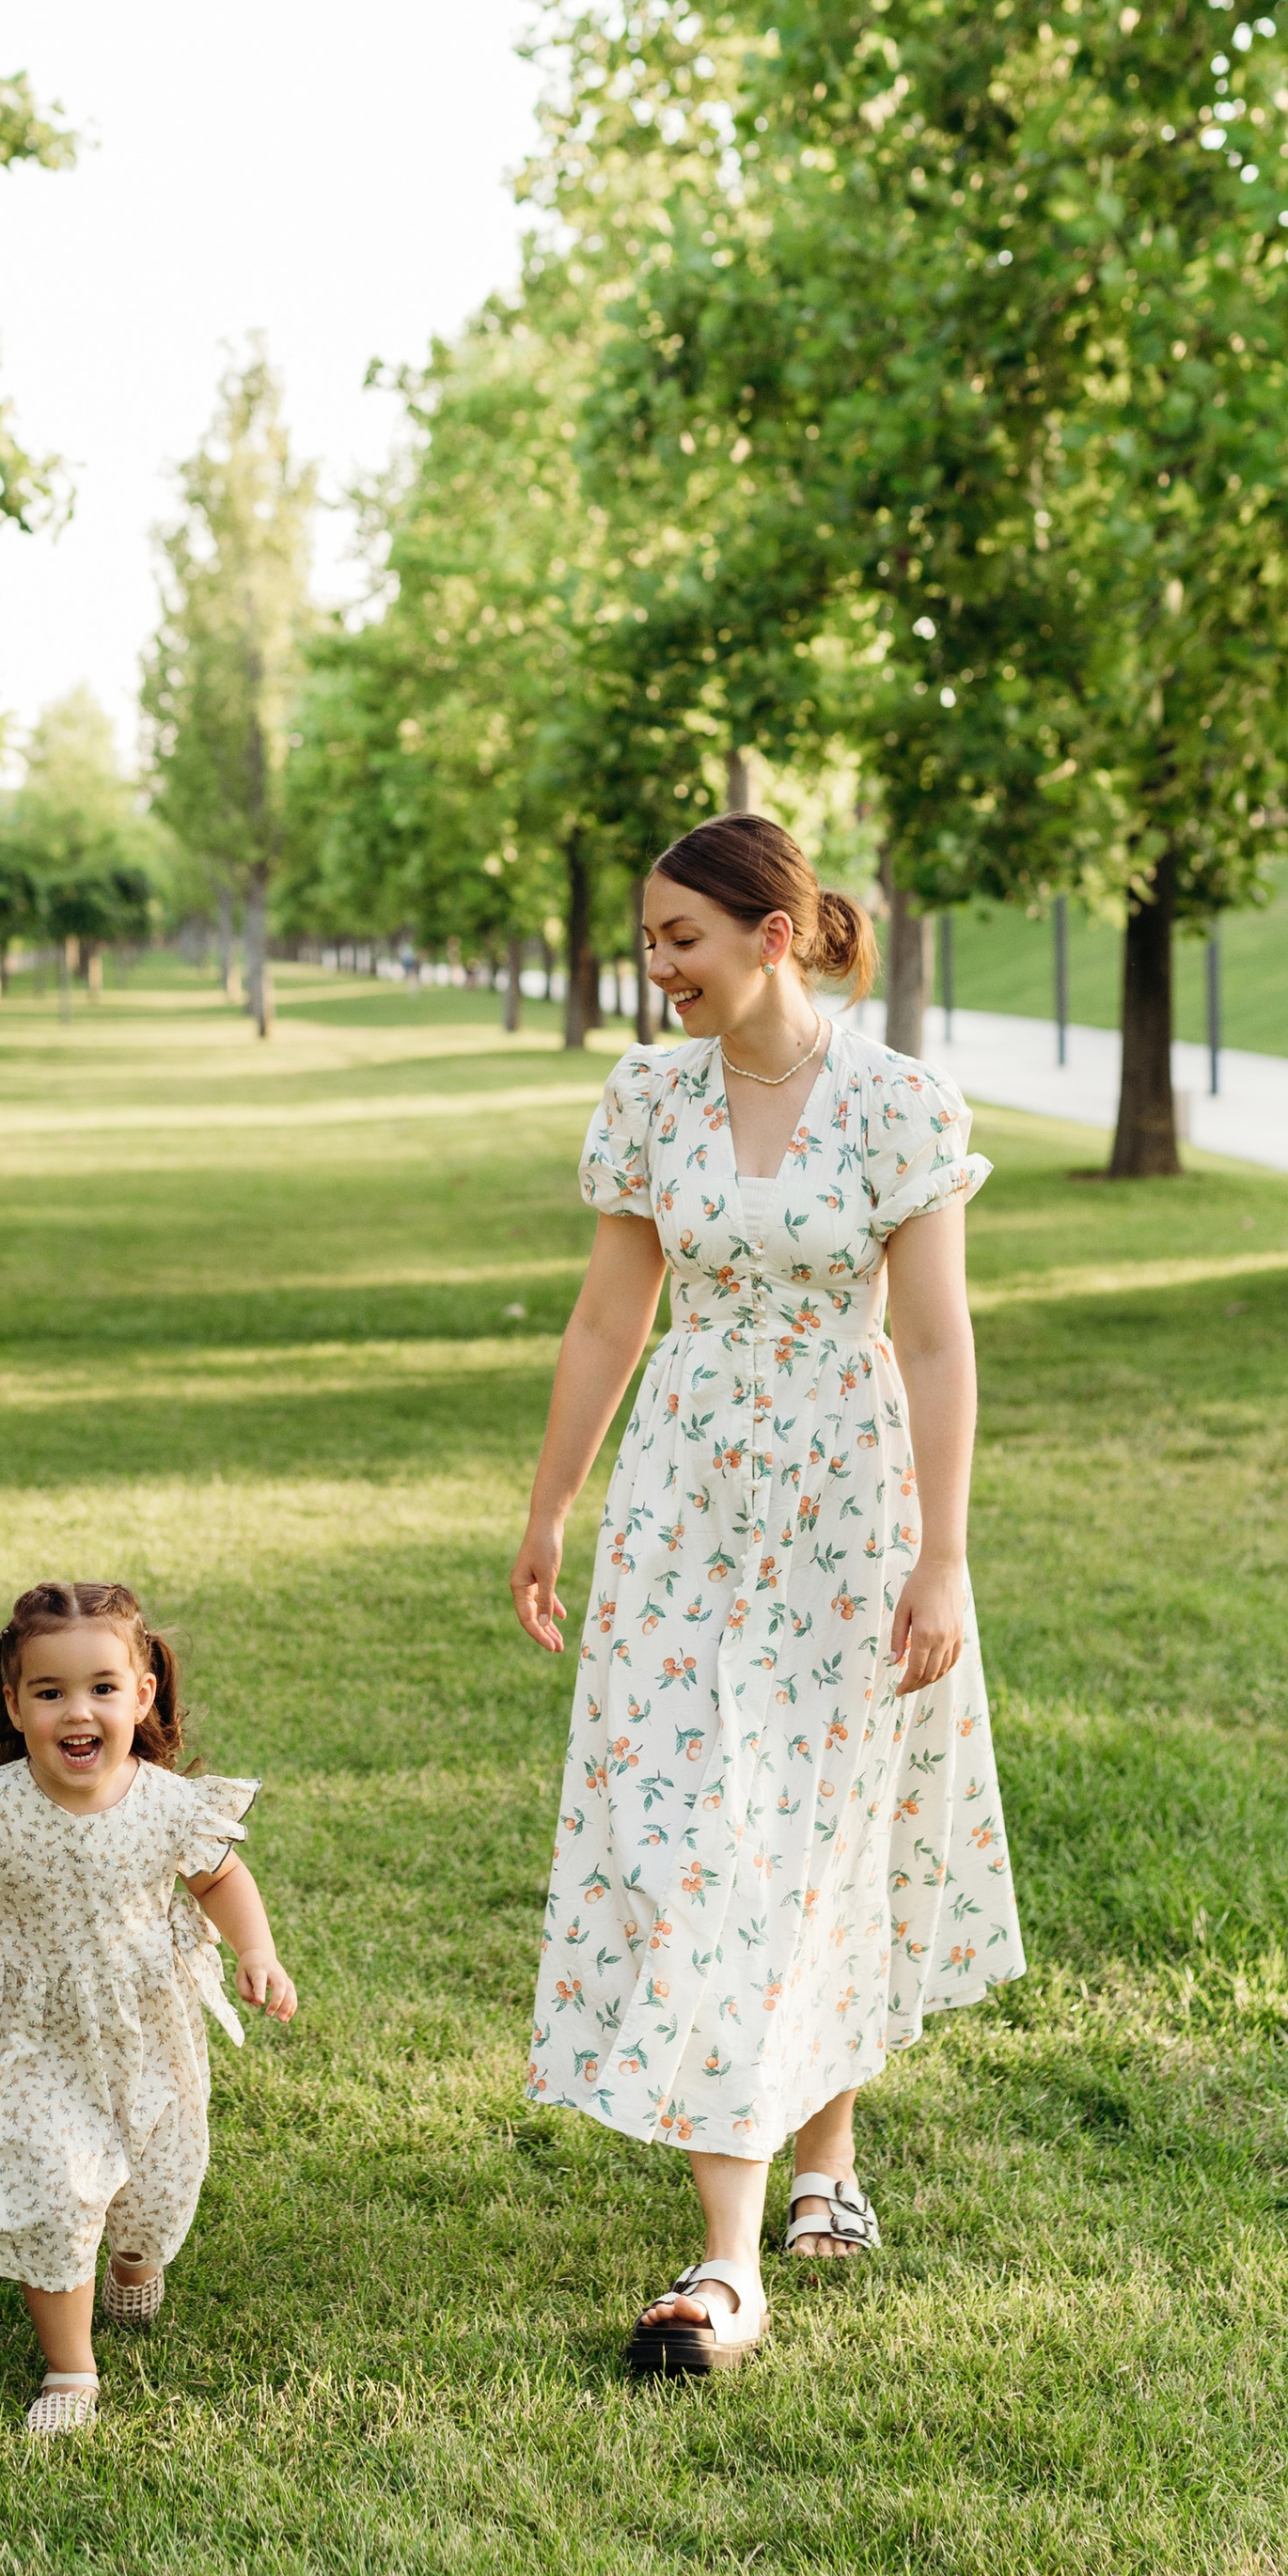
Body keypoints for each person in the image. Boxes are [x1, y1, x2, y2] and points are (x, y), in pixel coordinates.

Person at [511, 812, 1024, 2378]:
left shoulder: (893, 1104)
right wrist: (549, 1507)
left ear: (775, 934)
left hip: (845, 1510)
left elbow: (936, 1342)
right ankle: (729, 2260)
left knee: (818, 1832)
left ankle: (822, 2173)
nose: (656, 965)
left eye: (682, 938)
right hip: (684, 1500)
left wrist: (941, 1551)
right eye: (651, 940)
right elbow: (611, 1319)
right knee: (700, 1831)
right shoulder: (649, 1095)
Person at [0, 1580, 295, 2435]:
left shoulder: (170, 1807)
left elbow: (223, 1880)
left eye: (102, 1689)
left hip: (146, 2030)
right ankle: (70, 2370)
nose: (77, 1712)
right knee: (57, 2185)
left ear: (142, 1692)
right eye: (50, 1693)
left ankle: (131, 2263)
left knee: (153, 2193)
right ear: (14, 1700)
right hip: (28, 2035)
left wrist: (256, 1953)